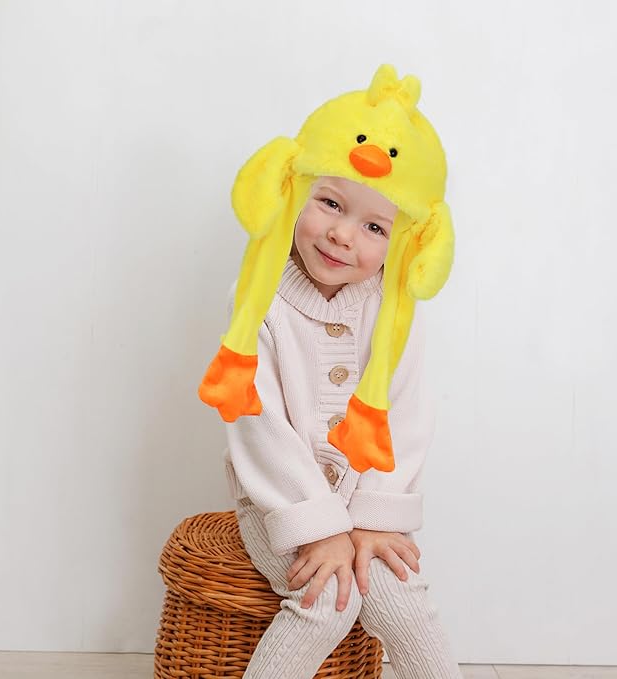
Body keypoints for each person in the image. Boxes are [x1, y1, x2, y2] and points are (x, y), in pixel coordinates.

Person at [199, 65, 464, 679]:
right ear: (297, 189)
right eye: (330, 203)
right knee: (327, 602)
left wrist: (375, 516)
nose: (343, 235)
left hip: (365, 495)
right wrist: (318, 527)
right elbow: (258, 423)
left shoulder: (394, 310)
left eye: (375, 227)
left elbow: (404, 414)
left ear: (406, 240)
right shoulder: (260, 300)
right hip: (280, 498)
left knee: (402, 600)